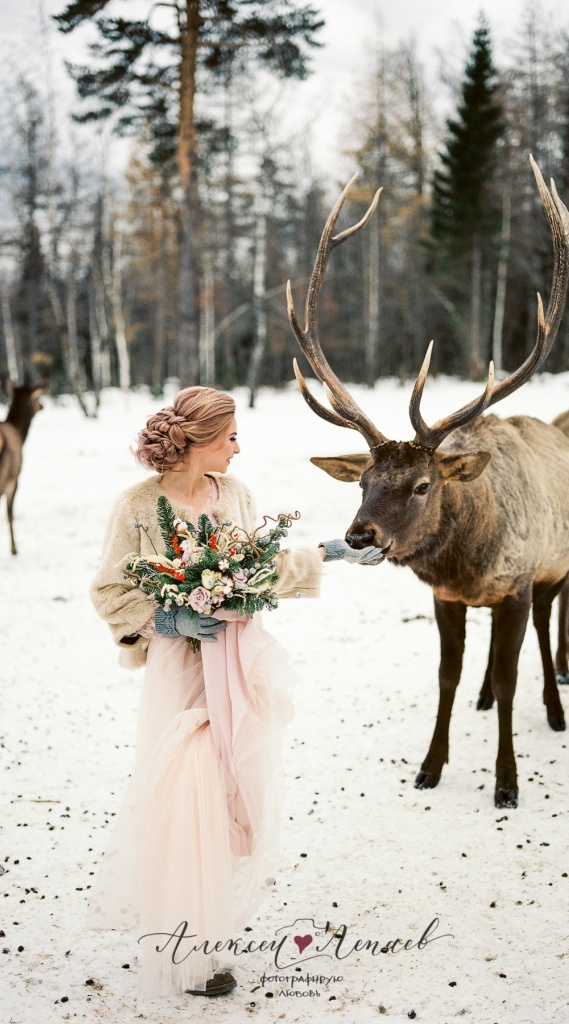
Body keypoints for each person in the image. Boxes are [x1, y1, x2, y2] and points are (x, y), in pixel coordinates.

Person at [87, 386, 383, 1000]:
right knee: (186, 797)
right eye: (230, 437)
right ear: (197, 442)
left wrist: (333, 552)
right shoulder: (137, 506)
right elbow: (111, 591)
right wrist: (168, 620)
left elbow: (259, 569)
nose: (238, 448)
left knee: (226, 797)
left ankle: (208, 931)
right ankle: (188, 956)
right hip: (180, 673)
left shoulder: (237, 496)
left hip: (237, 664)